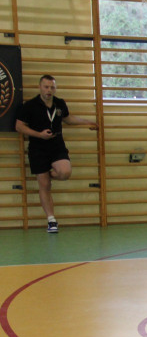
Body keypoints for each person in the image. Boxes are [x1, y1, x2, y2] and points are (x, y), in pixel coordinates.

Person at [14, 75, 98, 233]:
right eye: (46, 87)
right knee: (44, 186)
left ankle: (46, 175)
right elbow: (19, 126)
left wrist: (87, 122)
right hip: (38, 148)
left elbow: (68, 118)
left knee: (65, 172)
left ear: (55, 88)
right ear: (40, 87)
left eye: (52, 87)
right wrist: (39, 135)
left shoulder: (60, 103)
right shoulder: (30, 106)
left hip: (57, 146)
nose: (49, 90)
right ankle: (51, 220)